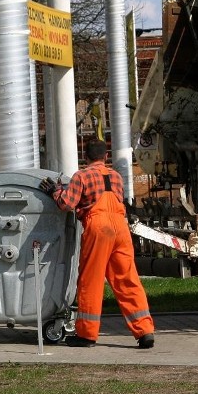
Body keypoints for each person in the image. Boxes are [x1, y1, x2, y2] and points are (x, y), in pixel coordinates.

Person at [40, 139, 155, 348]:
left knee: (90, 280)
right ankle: (145, 331)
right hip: (120, 227)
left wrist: (54, 191)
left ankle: (87, 334)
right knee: (128, 280)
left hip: (98, 226)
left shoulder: (82, 176)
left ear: (86, 157)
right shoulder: (116, 177)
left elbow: (66, 204)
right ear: (106, 157)